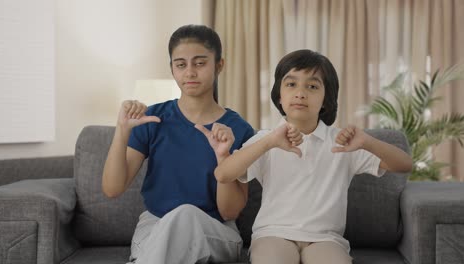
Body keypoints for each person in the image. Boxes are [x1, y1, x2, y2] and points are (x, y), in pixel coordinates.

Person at [214, 49, 413, 264]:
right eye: (291, 84)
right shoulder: (265, 140)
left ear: (326, 99)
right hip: (273, 234)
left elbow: (405, 164)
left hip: (325, 239)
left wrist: (367, 142)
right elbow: (223, 174)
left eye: (312, 86)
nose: (300, 93)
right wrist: (269, 142)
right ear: (279, 96)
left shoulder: (343, 142)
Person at [102, 24, 254, 264]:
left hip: (216, 230)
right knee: (174, 230)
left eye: (200, 63)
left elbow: (230, 212)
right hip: (155, 226)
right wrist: (121, 131)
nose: (190, 72)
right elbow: (112, 189)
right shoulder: (153, 119)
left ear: (219, 65)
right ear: (172, 68)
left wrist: (223, 157)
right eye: (181, 64)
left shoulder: (239, 130)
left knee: (184, 215)